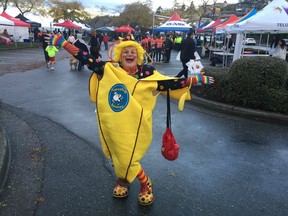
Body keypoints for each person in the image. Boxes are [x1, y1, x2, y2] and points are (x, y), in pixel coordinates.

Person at [47, 33, 214, 206]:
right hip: (114, 124)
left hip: (137, 124)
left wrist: (195, 79)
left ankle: (145, 183)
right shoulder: (110, 69)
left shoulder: (148, 72)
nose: (129, 54)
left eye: (133, 51)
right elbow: (86, 58)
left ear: (139, 55)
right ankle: (123, 181)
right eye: (125, 51)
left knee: (128, 156)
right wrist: (64, 43)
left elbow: (168, 83)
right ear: (120, 55)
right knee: (118, 154)